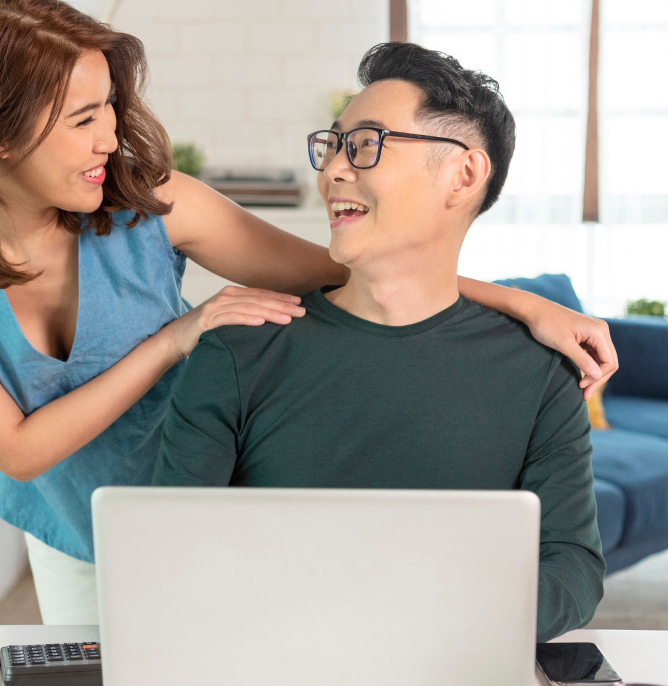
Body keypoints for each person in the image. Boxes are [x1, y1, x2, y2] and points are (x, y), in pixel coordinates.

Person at [0, 0, 616, 625]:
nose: (109, 137)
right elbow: (18, 449)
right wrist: (174, 340)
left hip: (199, 488)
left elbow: (352, 265)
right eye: (82, 119)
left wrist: (516, 303)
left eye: (111, 110)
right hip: (71, 516)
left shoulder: (150, 202)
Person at [151, 42, 605, 641]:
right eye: (333, 144)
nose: (333, 169)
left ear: (463, 175)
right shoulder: (239, 348)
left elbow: (573, 566)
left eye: (366, 145)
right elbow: (166, 555)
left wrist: (440, 626)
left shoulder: (541, 371)